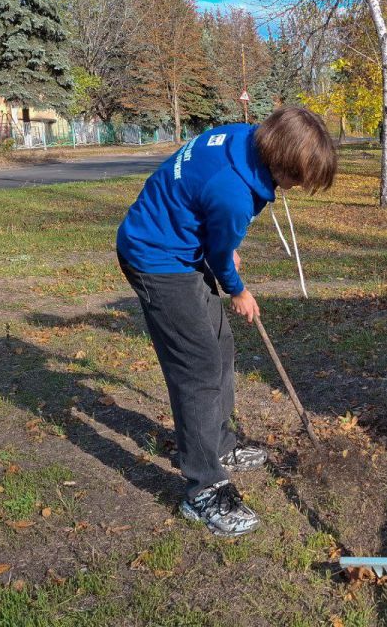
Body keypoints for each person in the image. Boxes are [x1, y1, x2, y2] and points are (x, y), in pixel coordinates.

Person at [116, 107, 337, 536]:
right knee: (196, 366)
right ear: (281, 162)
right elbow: (221, 257)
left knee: (220, 346)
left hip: (182, 247)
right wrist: (237, 288)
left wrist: (221, 241)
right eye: (297, 179)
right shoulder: (234, 192)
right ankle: (203, 487)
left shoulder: (244, 137)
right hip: (156, 257)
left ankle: (218, 443)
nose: (296, 188)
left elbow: (209, 219)